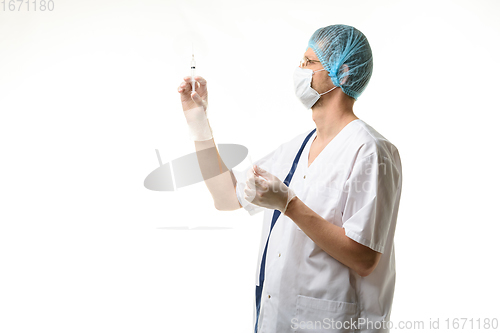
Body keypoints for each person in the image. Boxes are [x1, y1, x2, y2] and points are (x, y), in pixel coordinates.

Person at [177, 24, 402, 333]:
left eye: (309, 62)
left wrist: (288, 204)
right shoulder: (297, 149)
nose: (300, 70)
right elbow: (226, 195)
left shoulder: (371, 151)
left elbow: (364, 258)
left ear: (344, 73)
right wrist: (198, 121)